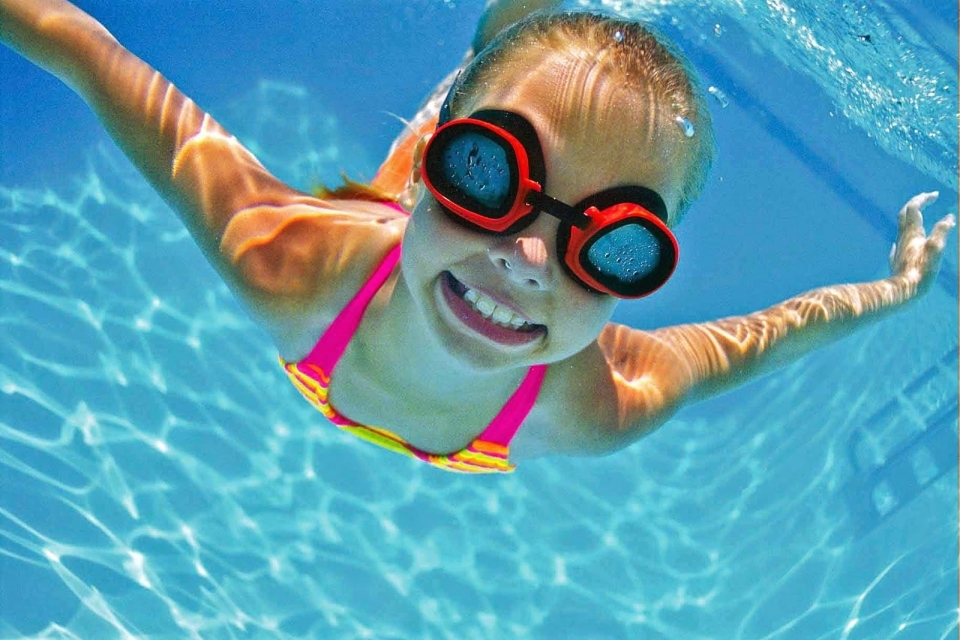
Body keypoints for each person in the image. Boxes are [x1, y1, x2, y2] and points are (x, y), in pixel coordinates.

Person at [0, 0, 953, 473]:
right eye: (488, 178)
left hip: (416, 252)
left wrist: (898, 291)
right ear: (439, 171)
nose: (529, 259)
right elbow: (96, 59)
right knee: (451, 123)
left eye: (611, 245)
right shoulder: (293, 265)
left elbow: (763, 339)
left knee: (473, 149)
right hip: (378, 249)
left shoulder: (594, 406)